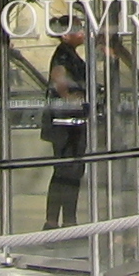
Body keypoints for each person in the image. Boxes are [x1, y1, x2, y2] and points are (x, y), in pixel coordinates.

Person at [43, 32, 89, 229]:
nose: (83, 33)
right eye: (77, 29)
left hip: (71, 121)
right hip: (65, 123)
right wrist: (71, 98)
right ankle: (57, 221)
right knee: (65, 172)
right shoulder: (63, 54)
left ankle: (66, 219)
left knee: (70, 172)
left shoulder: (69, 53)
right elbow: (59, 77)